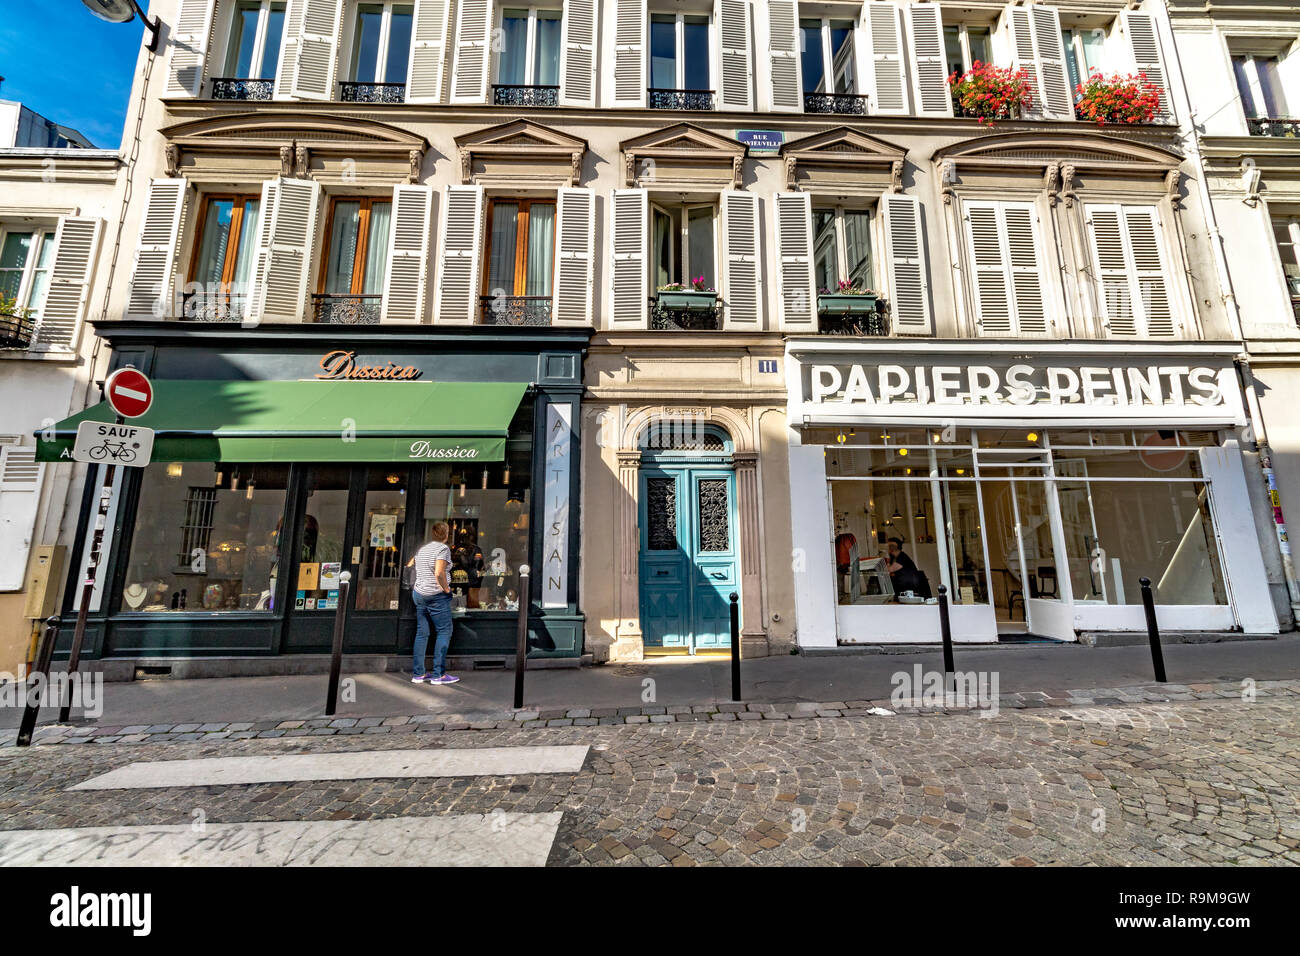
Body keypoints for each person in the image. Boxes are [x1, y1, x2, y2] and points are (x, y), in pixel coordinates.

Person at [411, 521, 459, 685]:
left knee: (422, 633)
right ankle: (438, 674)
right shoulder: (443, 549)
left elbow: (411, 565)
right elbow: (439, 573)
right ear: (446, 535)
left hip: (419, 594)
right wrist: (446, 590)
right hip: (435, 595)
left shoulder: (423, 549)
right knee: (444, 631)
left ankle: (418, 674)